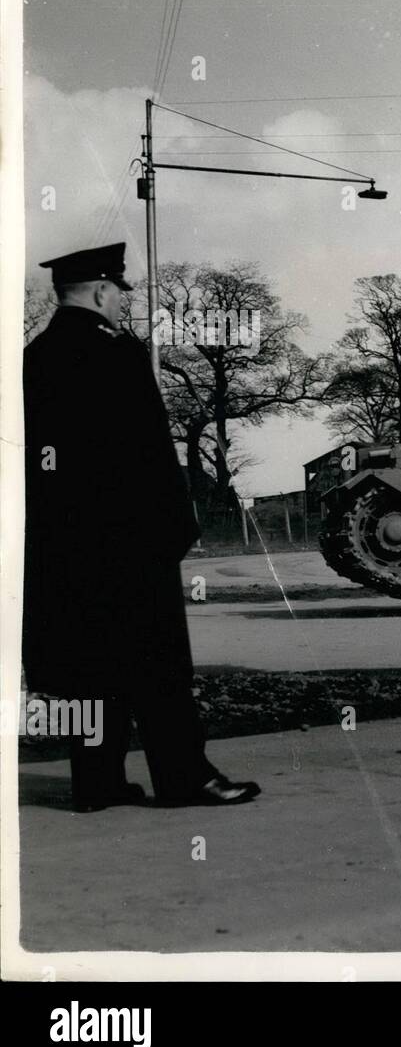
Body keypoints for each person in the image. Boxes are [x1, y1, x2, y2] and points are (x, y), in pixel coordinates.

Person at [24, 242, 260, 811]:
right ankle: (185, 778)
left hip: (64, 545)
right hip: (129, 541)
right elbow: (145, 454)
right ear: (103, 292)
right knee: (158, 665)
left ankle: (95, 783)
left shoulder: (36, 354)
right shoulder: (115, 352)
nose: (123, 307)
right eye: (119, 296)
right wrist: (175, 526)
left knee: (89, 665)